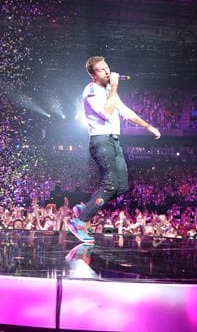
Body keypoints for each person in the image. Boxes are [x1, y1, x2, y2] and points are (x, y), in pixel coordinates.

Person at [67, 56, 161, 243]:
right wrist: (115, 87)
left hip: (114, 142)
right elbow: (106, 113)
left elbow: (125, 112)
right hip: (101, 141)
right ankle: (79, 222)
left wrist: (148, 126)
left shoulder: (109, 90)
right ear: (93, 75)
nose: (107, 71)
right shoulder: (91, 90)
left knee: (121, 187)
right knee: (110, 184)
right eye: (102, 70)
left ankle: (85, 208)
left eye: (107, 67)